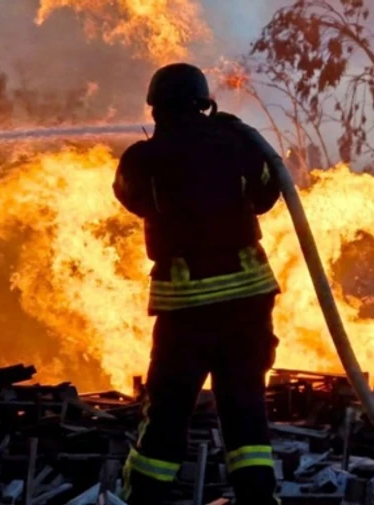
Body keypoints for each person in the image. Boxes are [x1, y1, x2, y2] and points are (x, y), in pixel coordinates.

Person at [113, 63, 282, 505]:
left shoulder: (143, 158)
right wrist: (233, 139)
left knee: (169, 409)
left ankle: (144, 497)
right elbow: (267, 194)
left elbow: (129, 197)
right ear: (205, 103)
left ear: (156, 109)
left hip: (186, 313)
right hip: (247, 305)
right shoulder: (239, 143)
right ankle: (258, 498)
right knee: (245, 406)